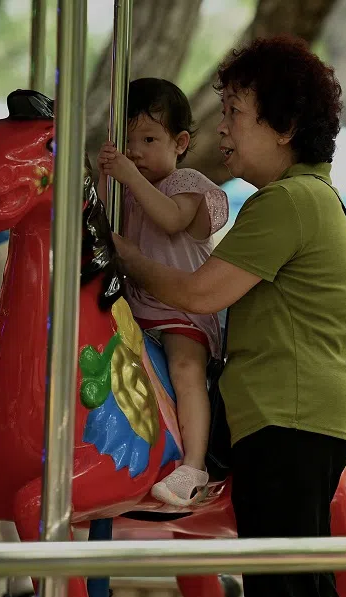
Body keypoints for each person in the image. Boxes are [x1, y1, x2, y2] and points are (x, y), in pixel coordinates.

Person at [112, 35, 346, 597]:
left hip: (286, 420)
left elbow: (201, 294)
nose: (222, 127)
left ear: (284, 126)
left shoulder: (288, 201)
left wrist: (127, 255)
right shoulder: (310, 198)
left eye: (235, 113)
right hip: (289, 417)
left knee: (285, 589)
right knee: (294, 584)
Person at [97, 77, 229, 507]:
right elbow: (100, 227)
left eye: (149, 139)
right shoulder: (127, 190)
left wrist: (129, 176)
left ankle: (193, 466)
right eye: (127, 141)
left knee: (185, 368)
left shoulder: (186, 184)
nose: (135, 150)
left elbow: (171, 220)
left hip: (180, 309)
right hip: (134, 309)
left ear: (181, 142)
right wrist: (103, 180)